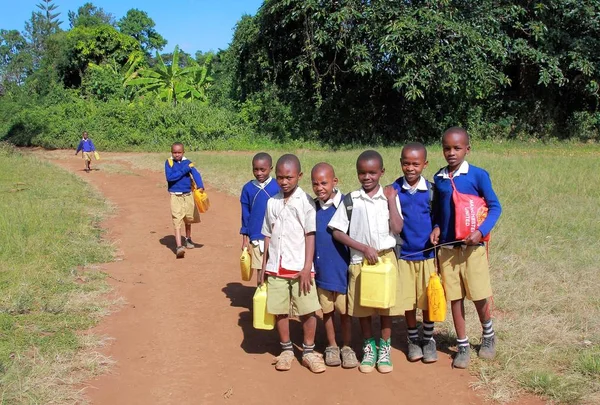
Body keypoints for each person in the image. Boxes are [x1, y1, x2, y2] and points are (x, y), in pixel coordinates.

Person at [429, 127, 502, 369]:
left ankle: (488, 335)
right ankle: (462, 345)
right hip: (449, 250)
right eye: (447, 148)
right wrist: (437, 227)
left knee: (479, 295)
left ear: (467, 149)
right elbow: (438, 213)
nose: (451, 153)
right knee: (455, 297)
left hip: (473, 248)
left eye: (457, 148)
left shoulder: (478, 175)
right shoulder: (439, 179)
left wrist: (480, 232)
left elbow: (495, 207)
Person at [329, 150, 404, 374]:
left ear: (382, 172)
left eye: (372, 172)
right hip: (360, 260)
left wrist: (391, 199)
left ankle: (385, 349)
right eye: (362, 173)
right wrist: (362, 247)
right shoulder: (352, 200)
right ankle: (369, 347)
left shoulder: (389, 196)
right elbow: (337, 232)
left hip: (385, 259)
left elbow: (398, 228)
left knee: (385, 307)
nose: (367, 177)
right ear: (357, 173)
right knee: (362, 308)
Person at [261, 154, 325, 374]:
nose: (284, 182)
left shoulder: (306, 202)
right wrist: (263, 268)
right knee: (280, 310)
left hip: (300, 268)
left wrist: (307, 267)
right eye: (279, 177)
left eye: (288, 177)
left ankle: (308, 351)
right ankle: (286, 350)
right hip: (276, 268)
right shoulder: (272, 202)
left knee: (307, 310)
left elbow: (310, 235)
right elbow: (267, 235)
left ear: (299, 176)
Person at [391, 142, 438, 364]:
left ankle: (428, 338)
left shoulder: (431, 190)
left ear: (424, 164)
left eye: (416, 164)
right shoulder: (394, 190)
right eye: (406, 163)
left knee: (428, 299)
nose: (410, 168)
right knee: (409, 301)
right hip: (405, 256)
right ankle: (412, 338)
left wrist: (437, 228)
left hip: (427, 255)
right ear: (401, 163)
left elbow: (439, 217)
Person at [311, 162, 358, 369]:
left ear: (334, 182)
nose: (320, 188)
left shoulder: (347, 206)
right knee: (327, 311)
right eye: (315, 184)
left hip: (342, 270)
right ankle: (332, 345)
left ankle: (347, 346)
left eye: (324, 183)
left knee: (345, 312)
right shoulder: (312, 208)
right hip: (322, 271)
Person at [240, 153, 280, 284]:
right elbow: (245, 215)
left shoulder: (278, 187)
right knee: (260, 272)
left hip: (277, 236)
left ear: (271, 169)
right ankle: (260, 298)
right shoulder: (248, 188)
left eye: (263, 170)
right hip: (257, 236)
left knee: (275, 271)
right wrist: (245, 239)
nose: (259, 173)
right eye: (255, 169)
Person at [165, 142, 204, 259]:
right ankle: (179, 246)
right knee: (177, 219)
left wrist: (200, 185)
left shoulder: (188, 163)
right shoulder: (169, 163)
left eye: (179, 152)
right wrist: (184, 170)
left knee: (188, 218)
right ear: (171, 152)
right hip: (175, 196)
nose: (177, 155)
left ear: (183, 152)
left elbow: (195, 173)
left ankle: (188, 239)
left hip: (188, 195)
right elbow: (170, 177)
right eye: (174, 152)